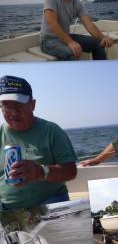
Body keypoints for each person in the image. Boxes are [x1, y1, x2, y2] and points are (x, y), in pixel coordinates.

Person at [0, 75, 77, 210]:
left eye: (19, 105)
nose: (13, 113)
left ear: (33, 105)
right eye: (6, 106)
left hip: (49, 203)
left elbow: (71, 172)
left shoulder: (52, 131)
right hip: (6, 208)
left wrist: (40, 171)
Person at [40, 0, 114, 60]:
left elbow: (89, 24)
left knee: (98, 44)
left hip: (66, 37)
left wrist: (103, 37)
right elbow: (52, 23)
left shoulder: (77, 3)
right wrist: (70, 42)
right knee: (72, 52)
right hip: (49, 40)